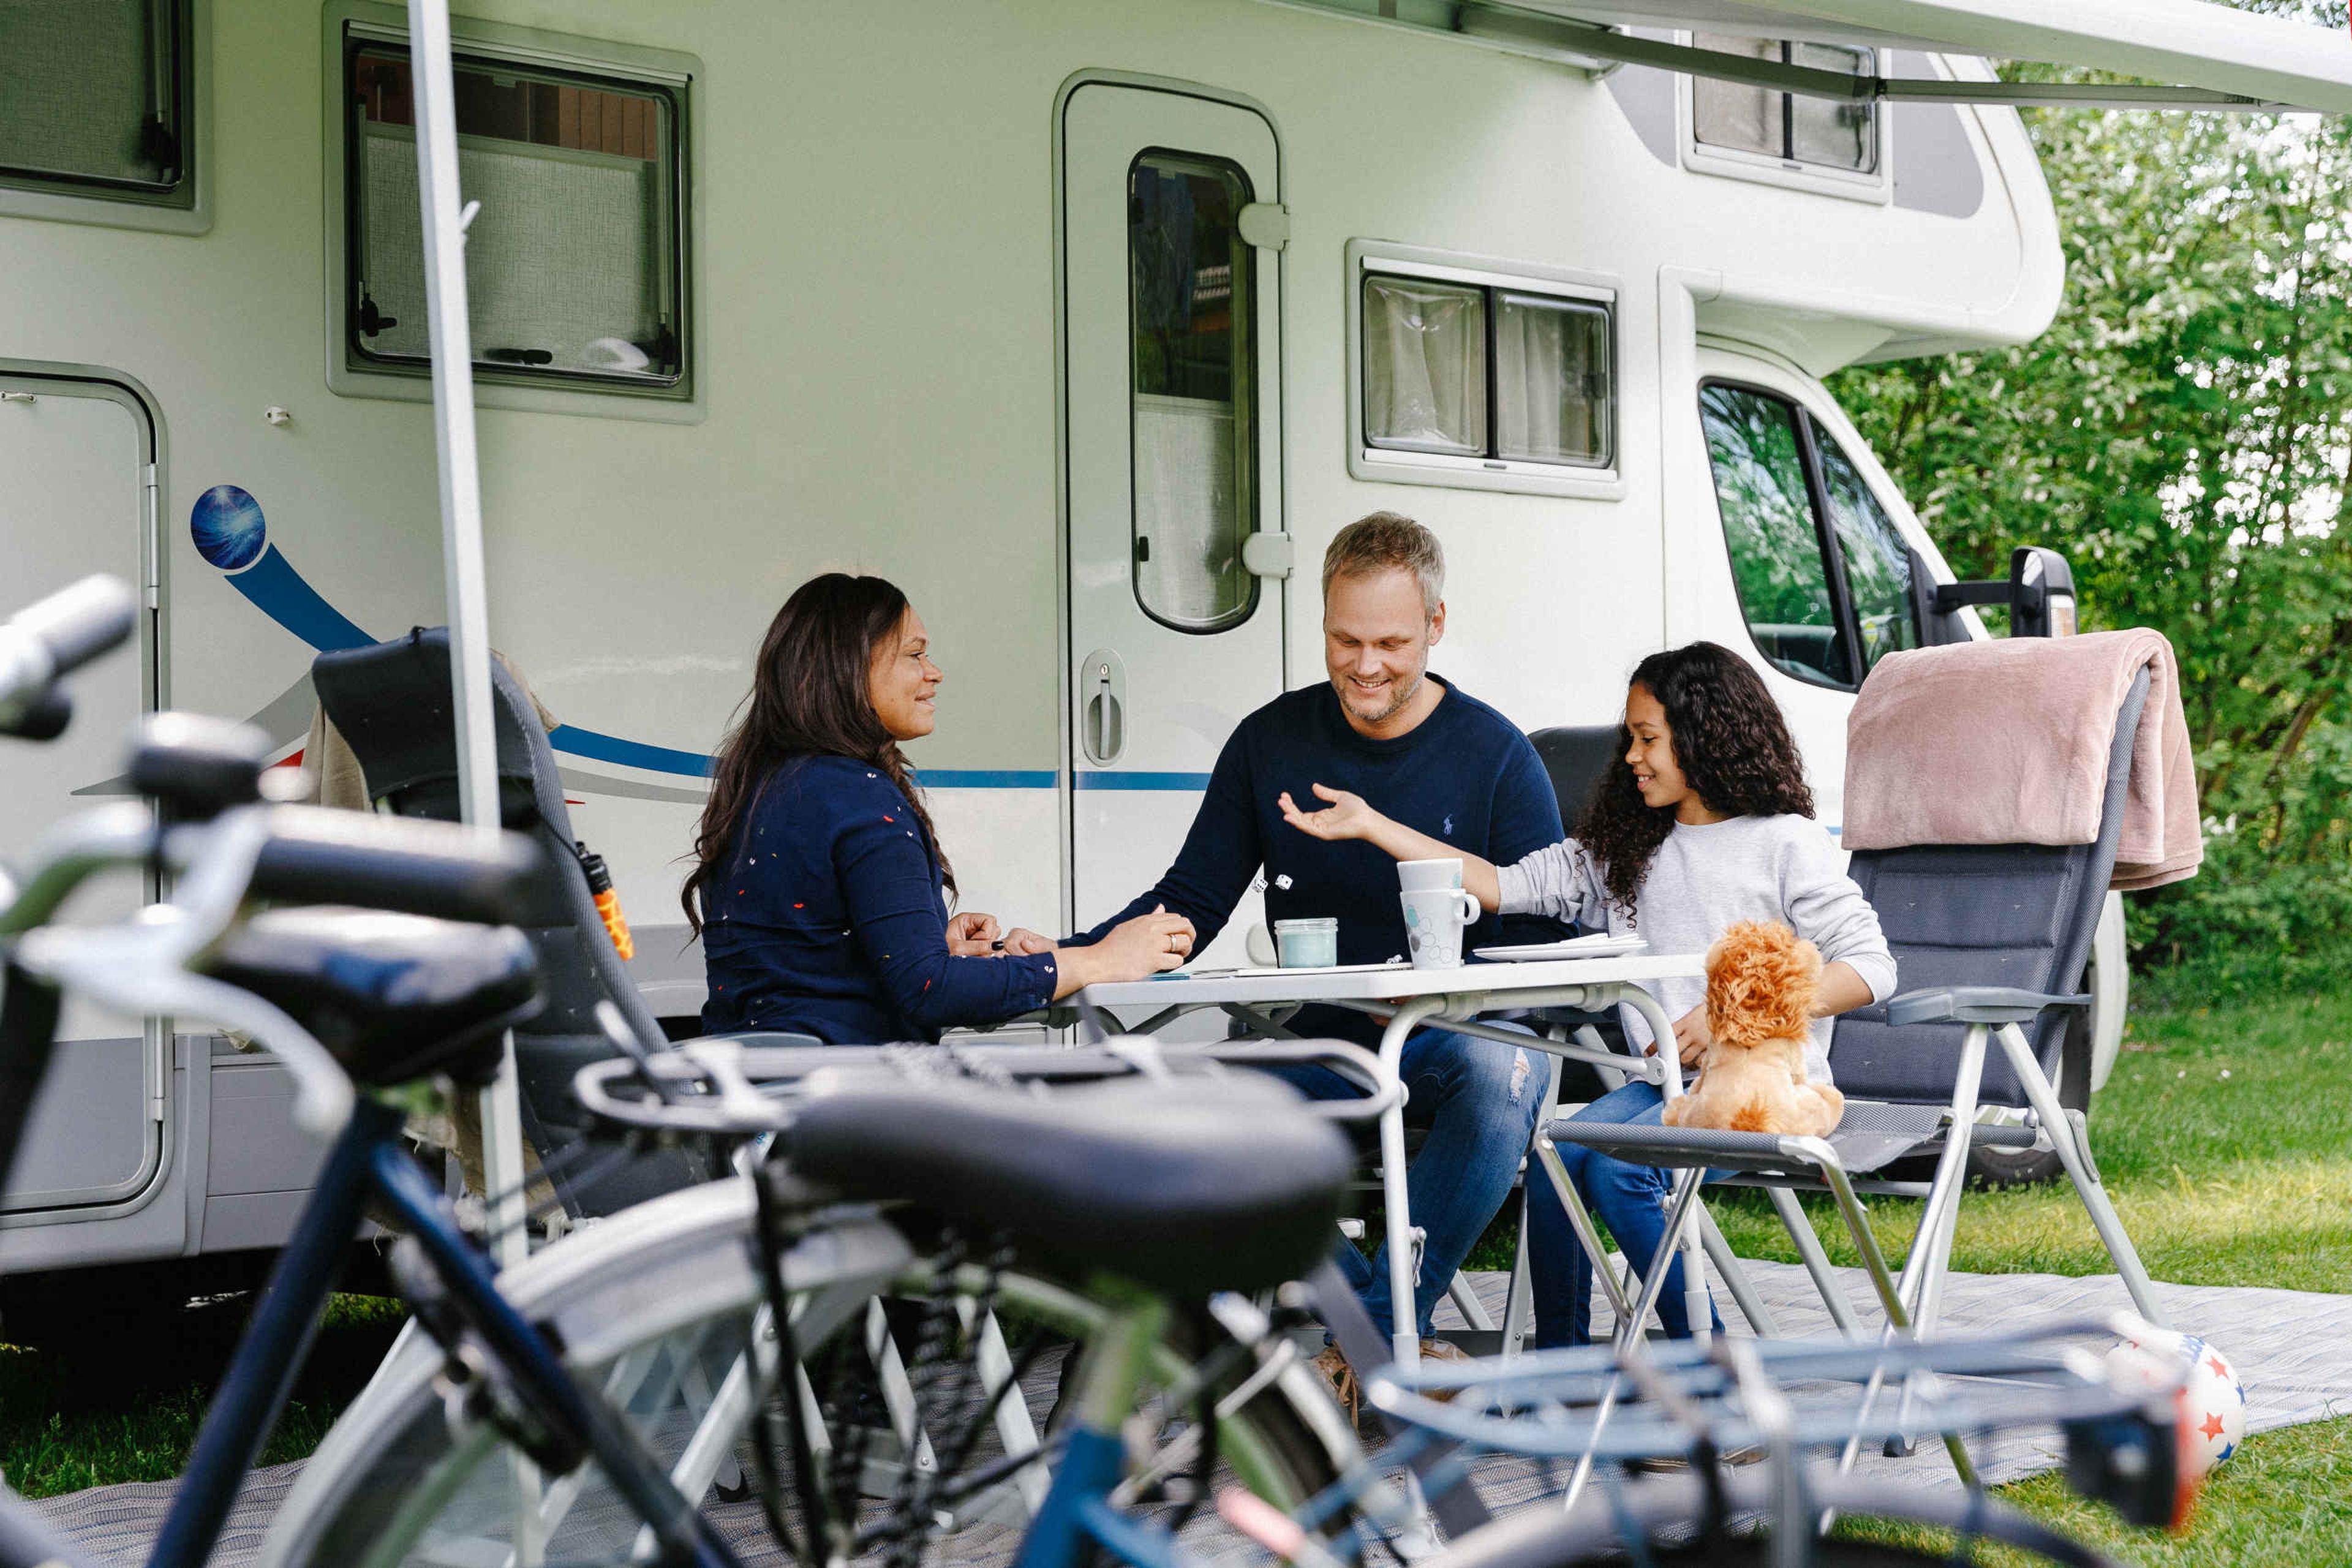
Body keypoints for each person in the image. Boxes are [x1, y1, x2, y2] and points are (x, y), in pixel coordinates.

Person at [1005, 513, 1566, 1366]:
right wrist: (1062, 951)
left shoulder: (1496, 755)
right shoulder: (1272, 743)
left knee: (1503, 1076)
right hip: (1322, 1042)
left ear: (1436, 627)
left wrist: (1450, 990)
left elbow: (1548, 932)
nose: (1366, 666)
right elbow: (1189, 901)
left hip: (1462, 1037)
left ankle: (1364, 1337)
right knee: (1173, 1099)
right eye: (1345, 640)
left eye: (1391, 642)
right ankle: (1380, 1335)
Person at [1280, 639, 1894, 1349]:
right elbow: (1500, 884)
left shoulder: (1784, 841)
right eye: (1629, 739)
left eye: (1648, 739)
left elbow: (1872, 967)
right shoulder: (1626, 849)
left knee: (1616, 1168)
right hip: (1667, 1087)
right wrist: (1370, 824)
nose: (1631, 756)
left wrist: (1735, 1017)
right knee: (1554, 1155)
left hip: (1764, 1091)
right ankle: (1564, 1366)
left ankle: (1715, 1371)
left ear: (1704, 736)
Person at [686, 573, 1194, 1042]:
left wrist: (926, 945)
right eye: (915, 655)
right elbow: (930, 991)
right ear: (848, 667)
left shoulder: (759, 786)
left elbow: (803, 962)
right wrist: (1101, 960)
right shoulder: (860, 797)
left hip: (749, 1100)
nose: (935, 673)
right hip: (848, 1104)